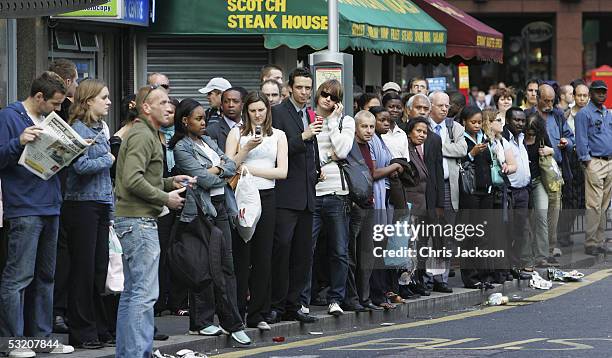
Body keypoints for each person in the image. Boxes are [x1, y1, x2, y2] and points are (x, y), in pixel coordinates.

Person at [113, 85, 193, 358]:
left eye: (169, 102)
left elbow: (140, 177)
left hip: (133, 220)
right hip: (139, 222)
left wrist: (171, 181)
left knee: (133, 293)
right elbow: (131, 180)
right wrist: (165, 198)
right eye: (161, 102)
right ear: (145, 107)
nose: (169, 106)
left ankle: (129, 353)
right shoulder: (143, 136)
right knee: (144, 295)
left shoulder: (144, 134)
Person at [0, 71, 74, 356]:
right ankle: (12, 342)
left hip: (50, 204)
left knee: (46, 276)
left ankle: (42, 339)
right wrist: (17, 142)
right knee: (18, 276)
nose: (58, 109)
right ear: (39, 97)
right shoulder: (9, 117)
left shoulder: (48, 120)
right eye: (54, 104)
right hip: (24, 207)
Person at [170, 98, 251, 344]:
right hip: (200, 212)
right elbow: (203, 180)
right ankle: (203, 322)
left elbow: (229, 165)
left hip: (221, 208)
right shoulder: (181, 148)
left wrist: (214, 171)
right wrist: (217, 172)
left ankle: (231, 321)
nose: (204, 122)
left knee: (226, 265)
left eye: (204, 118)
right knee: (204, 268)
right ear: (185, 121)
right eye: (198, 119)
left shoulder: (207, 141)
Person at [225, 91, 287, 329]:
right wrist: (247, 149)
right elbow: (229, 167)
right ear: (246, 112)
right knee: (242, 254)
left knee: (264, 255)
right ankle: (237, 311)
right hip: (242, 196)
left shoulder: (278, 136)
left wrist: (250, 170)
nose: (258, 115)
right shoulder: (236, 134)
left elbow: (282, 172)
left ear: (267, 111)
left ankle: (258, 313)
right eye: (253, 111)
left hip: (267, 195)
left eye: (261, 110)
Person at [61, 79, 115, 349]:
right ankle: (82, 331)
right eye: (103, 97)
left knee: (98, 270)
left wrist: (111, 209)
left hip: (100, 203)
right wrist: (109, 158)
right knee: (83, 269)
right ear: (88, 101)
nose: (108, 101)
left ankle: (100, 328)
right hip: (81, 205)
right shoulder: (77, 129)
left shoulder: (99, 129)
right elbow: (80, 166)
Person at [268, 67, 321, 324]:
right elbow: (276, 149)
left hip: (308, 193)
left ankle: (294, 304)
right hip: (286, 194)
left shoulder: (310, 113)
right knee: (282, 251)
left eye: (308, 88)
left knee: (303, 255)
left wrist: (317, 170)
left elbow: (314, 147)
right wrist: (304, 135)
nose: (304, 92)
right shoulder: (278, 112)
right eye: (299, 87)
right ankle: (276, 305)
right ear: (289, 87)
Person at [300, 80, 355, 316]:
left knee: (339, 251)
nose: (327, 100)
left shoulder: (345, 121)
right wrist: (326, 158)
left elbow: (342, 150)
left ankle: (336, 299)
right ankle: (303, 300)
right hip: (311, 193)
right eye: (324, 94)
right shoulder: (307, 118)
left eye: (333, 97)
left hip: (337, 194)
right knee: (306, 250)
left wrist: (332, 122)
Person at [528, 84, 574, 263]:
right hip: (537, 172)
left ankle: (549, 249)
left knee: (553, 213)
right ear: (537, 98)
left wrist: (564, 143)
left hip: (555, 172)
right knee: (540, 214)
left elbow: (571, 139)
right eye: (545, 100)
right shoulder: (528, 116)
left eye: (552, 100)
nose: (549, 104)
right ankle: (540, 252)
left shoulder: (558, 115)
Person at [368, 106, 407, 307]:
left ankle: (384, 291)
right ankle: (377, 294)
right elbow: (374, 172)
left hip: (385, 195)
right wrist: (395, 166)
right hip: (376, 195)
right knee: (376, 247)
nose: (386, 123)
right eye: (382, 120)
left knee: (383, 247)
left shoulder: (381, 140)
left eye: (388, 121)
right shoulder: (372, 140)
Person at [343, 110, 380, 312]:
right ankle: (352, 298)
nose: (368, 130)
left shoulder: (370, 146)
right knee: (351, 255)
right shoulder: (349, 146)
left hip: (369, 203)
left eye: (371, 127)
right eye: (364, 126)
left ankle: (364, 298)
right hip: (354, 205)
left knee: (367, 254)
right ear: (355, 127)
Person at [457, 106, 496, 288]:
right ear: (464, 122)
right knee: (471, 236)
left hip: (486, 191)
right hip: (470, 193)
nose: (477, 126)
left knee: (485, 236)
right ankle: (471, 278)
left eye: (479, 122)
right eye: (473, 122)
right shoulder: (460, 139)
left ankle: (485, 275)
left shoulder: (485, 138)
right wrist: (472, 154)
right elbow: (460, 164)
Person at [575, 80, 612, 255]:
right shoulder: (584, 113)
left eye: (604, 92)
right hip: (594, 162)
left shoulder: (607, 113)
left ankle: (599, 240)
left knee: (604, 205)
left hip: (609, 161)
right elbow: (581, 139)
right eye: (598, 92)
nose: (602, 95)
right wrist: (587, 160)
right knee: (594, 205)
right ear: (591, 93)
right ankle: (590, 243)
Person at [501, 107, 532, 279]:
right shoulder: (503, 139)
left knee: (520, 230)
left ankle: (515, 265)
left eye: (522, 120)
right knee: (508, 231)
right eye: (516, 120)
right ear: (507, 121)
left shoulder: (521, 138)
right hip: (509, 192)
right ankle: (507, 267)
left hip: (523, 191)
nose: (520, 123)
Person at [522, 112, 555, 268]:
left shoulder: (542, 137)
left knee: (541, 216)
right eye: (528, 129)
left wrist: (550, 151)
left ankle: (542, 256)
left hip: (538, 181)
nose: (530, 132)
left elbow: (553, 150)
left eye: (533, 130)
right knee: (525, 220)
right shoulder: (519, 138)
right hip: (522, 184)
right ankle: (526, 256)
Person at [206, 87, 243, 152]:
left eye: (235, 101)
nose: (231, 105)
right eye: (226, 102)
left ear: (242, 105)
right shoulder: (211, 131)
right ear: (221, 106)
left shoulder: (250, 126)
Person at [381, 92, 409, 159]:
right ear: (383, 107)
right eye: (391, 107)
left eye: (398, 107)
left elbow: (406, 159)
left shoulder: (402, 134)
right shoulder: (377, 132)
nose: (395, 110)